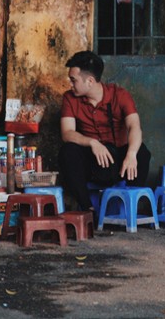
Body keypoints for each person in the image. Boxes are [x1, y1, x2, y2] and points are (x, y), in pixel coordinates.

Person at [57, 51, 151, 212]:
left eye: (74, 80)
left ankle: (128, 208)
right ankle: (87, 208)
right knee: (68, 151)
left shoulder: (120, 95)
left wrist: (131, 154)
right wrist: (92, 143)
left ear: (90, 81)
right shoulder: (69, 98)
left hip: (119, 161)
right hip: (92, 161)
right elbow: (67, 133)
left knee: (142, 153)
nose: (70, 85)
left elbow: (134, 126)